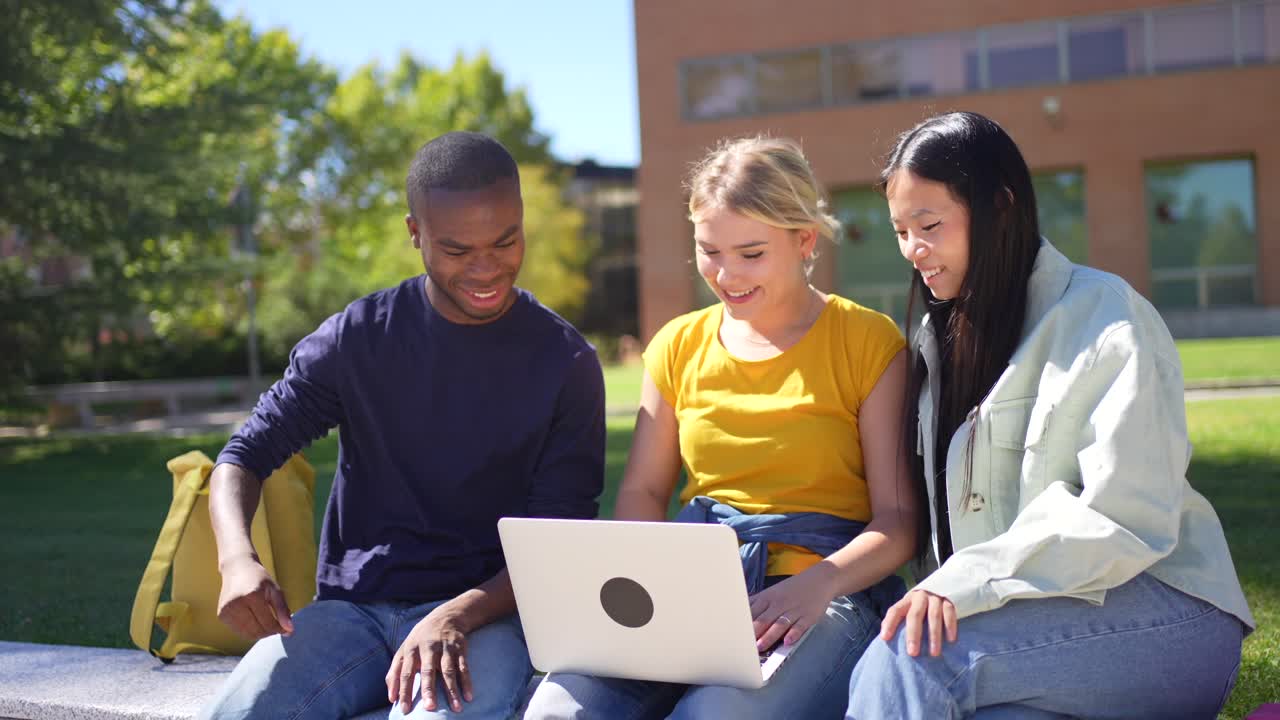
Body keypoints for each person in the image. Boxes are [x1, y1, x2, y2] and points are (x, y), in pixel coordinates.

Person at [845, 111, 1254, 719]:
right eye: (900, 231)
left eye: (928, 224)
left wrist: (961, 584)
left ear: (1001, 206)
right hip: (1024, 625)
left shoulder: (1107, 317)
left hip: (1162, 610)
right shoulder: (938, 339)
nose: (913, 251)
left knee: (909, 657)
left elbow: (1124, 517)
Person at [198, 131, 606, 720]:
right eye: (458, 250)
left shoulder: (564, 362)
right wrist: (237, 560)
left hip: (487, 616)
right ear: (415, 233)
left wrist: (454, 615)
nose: (487, 268)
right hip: (353, 613)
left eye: (505, 241)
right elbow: (244, 454)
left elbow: (558, 543)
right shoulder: (358, 338)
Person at [525, 135, 918, 720]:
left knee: (712, 714)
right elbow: (643, 492)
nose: (727, 273)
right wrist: (644, 590)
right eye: (709, 251)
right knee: (558, 710)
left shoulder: (867, 341)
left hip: (826, 597)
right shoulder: (678, 345)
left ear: (804, 240)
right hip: (691, 592)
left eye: (751, 253)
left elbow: (898, 522)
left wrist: (817, 586)